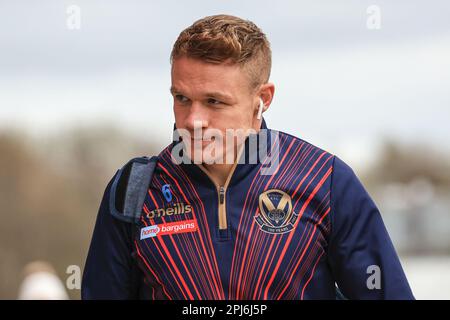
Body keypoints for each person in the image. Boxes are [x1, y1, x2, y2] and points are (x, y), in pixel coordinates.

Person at [82, 14, 414, 300]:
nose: (193, 120)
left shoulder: (326, 181)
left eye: (214, 101)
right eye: (182, 98)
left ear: (262, 99)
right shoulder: (134, 190)